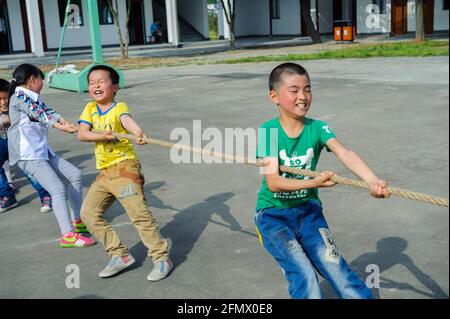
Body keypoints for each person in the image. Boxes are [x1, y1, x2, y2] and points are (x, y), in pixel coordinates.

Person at [255, 62, 390, 299]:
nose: (303, 97)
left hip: (308, 213)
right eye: (294, 90)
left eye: (307, 89)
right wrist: (313, 183)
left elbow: (344, 152)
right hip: (273, 217)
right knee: (305, 275)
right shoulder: (268, 132)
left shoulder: (318, 128)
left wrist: (372, 180)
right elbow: (274, 182)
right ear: (274, 96)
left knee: (336, 269)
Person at [77, 65, 172, 280]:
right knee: (88, 213)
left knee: (138, 214)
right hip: (104, 172)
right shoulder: (90, 109)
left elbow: (126, 120)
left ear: (115, 87)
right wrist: (103, 136)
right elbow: (82, 134)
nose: (96, 86)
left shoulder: (118, 107)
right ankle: (119, 255)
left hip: (125, 168)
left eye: (101, 81)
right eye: (92, 83)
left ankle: (161, 258)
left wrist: (137, 132)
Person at [7, 64, 95, 247]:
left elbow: (47, 110)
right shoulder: (19, 97)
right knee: (57, 188)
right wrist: (60, 126)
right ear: (33, 79)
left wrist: (63, 120)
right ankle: (68, 235)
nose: (42, 84)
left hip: (42, 151)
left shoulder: (33, 96)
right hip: (28, 155)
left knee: (75, 175)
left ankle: (76, 220)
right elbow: (37, 113)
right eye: (41, 80)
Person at [0, 78, 53, 213]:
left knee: (29, 171)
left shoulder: (18, 103)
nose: (3, 102)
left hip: (20, 144)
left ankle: (45, 194)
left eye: (5, 98)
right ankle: (7, 195)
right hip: (3, 143)